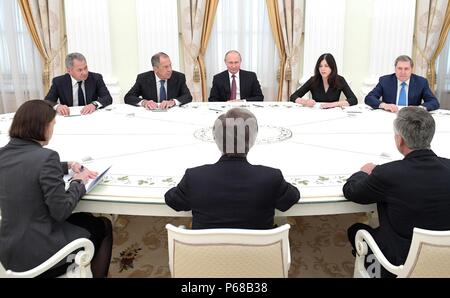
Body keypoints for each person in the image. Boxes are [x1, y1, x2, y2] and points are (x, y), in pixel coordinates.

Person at [0, 100, 113, 278]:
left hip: (8, 252)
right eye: (53, 125)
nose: (52, 130)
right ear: (42, 127)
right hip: (40, 257)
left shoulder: (3, 154)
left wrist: (66, 165)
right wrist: (78, 182)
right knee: (103, 226)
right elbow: (61, 211)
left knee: (85, 219)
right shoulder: (46, 157)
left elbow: (25, 166)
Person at [343, 107, 450, 277]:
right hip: (446, 260)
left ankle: (376, 273)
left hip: (399, 264)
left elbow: (351, 192)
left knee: (356, 230)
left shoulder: (388, 173)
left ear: (399, 140)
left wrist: (363, 172)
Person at [165, 108, 299, 229]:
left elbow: (172, 200)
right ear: (252, 140)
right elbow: (292, 198)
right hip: (258, 255)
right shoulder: (270, 177)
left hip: (205, 254)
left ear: (216, 139)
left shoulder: (195, 177)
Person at [45, 52, 113, 116]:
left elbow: (107, 97)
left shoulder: (96, 78)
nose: (85, 72)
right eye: (80, 70)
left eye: (85, 68)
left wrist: (94, 104)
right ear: (69, 70)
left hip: (90, 116)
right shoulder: (59, 81)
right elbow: (48, 101)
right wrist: (58, 106)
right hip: (69, 117)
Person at [365, 55, 440, 112]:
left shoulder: (421, 82)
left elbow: (434, 102)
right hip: (390, 114)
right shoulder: (385, 80)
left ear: (411, 69)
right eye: (400, 68)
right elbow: (369, 98)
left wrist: (419, 108)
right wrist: (384, 105)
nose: (403, 72)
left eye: (406, 69)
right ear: (395, 68)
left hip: (411, 117)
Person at [124, 52, 192, 109]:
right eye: (166, 67)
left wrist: (173, 102)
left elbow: (188, 96)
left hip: (172, 113)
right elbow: (128, 97)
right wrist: (144, 102)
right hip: (151, 115)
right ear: (155, 69)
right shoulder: (143, 78)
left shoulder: (179, 77)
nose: (169, 70)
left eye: (170, 65)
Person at [290, 53, 357, 108]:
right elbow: (293, 97)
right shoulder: (313, 80)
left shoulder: (340, 80)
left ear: (332, 67)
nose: (323, 69)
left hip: (333, 113)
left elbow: (353, 100)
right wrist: (305, 102)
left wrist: (333, 104)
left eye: (326, 66)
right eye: (320, 66)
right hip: (316, 112)